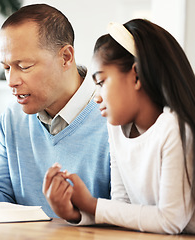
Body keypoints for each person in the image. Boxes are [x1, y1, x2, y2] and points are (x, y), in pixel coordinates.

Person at [0, 3, 110, 218]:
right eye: (6, 68)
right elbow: (4, 203)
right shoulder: (12, 119)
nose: (11, 81)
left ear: (66, 57)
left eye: (24, 66)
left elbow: (127, 215)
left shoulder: (113, 118)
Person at [43, 18, 195, 234]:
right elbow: (122, 209)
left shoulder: (174, 128)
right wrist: (75, 212)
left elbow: (171, 220)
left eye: (102, 82)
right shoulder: (116, 130)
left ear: (136, 75)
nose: (97, 97)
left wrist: (91, 204)